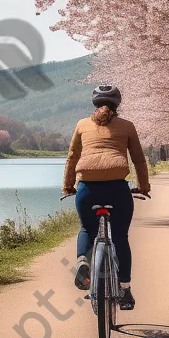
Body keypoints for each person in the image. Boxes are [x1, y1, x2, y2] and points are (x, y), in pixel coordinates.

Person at [62, 84, 150, 310]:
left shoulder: (82, 124)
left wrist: (68, 186)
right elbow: (139, 160)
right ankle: (125, 289)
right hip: (117, 189)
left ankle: (83, 261)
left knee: (86, 230)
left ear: (94, 103)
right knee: (120, 237)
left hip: (87, 189)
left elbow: (72, 157)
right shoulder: (127, 126)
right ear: (117, 104)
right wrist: (143, 187)